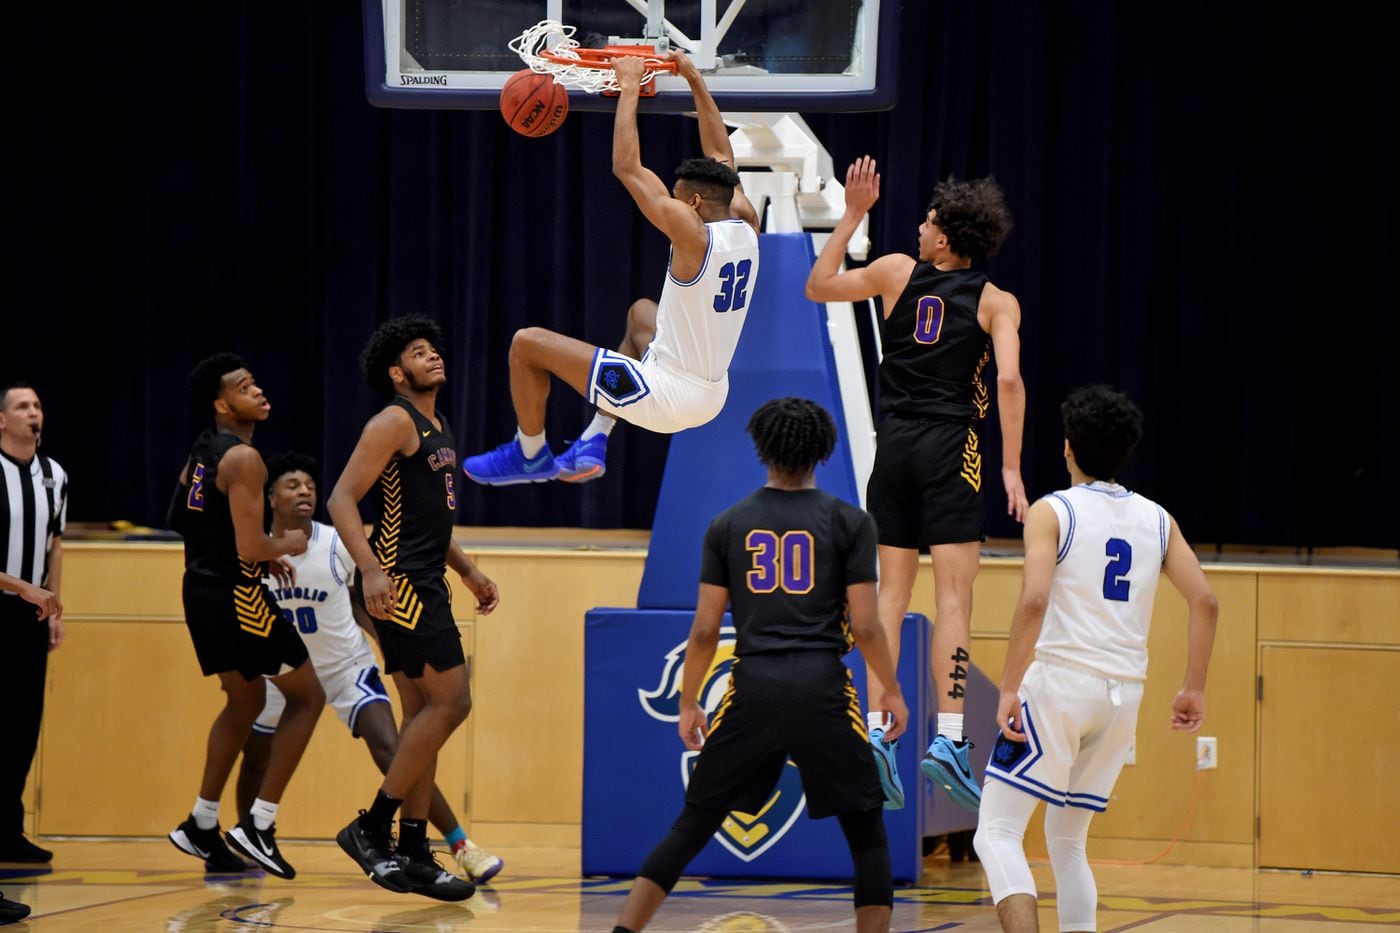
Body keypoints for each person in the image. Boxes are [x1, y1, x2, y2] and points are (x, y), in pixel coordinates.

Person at [612, 398, 908, 933]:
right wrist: (890, 687)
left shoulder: (728, 524)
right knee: (867, 835)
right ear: (823, 451)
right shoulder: (851, 522)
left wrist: (688, 701)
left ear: (762, 448)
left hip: (752, 686)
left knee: (693, 823)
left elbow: (705, 630)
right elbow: (866, 626)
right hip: (823, 686)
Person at [804, 159, 1028, 811]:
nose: (920, 228)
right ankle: (950, 739)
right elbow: (1009, 380)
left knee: (891, 596)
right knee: (954, 597)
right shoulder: (997, 301)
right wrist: (1011, 466)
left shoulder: (894, 272)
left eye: (929, 223)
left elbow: (818, 286)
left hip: (894, 447)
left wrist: (853, 216)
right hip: (952, 449)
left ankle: (879, 731)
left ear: (945, 240)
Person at [972, 385, 1218, 933]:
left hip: (1060, 685)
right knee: (1068, 841)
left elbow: (1034, 600)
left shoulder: (1053, 510)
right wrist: (1193, 687)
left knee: (997, 832)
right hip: (1122, 697)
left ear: (1067, 447)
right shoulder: (1158, 519)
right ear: (1126, 452)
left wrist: (1009, 687)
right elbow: (1205, 601)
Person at [463, 50, 760, 486]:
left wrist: (628, 86)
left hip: (665, 396)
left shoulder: (692, 233)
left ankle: (529, 454)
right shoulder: (745, 219)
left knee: (527, 345)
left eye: (677, 198)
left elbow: (626, 167)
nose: (672, 202)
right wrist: (694, 77)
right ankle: (595, 436)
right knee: (642, 314)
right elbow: (719, 153)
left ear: (694, 203)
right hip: (713, 392)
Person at [236, 451, 503, 884]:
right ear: (270, 497)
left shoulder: (336, 543)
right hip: (285, 673)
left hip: (346, 668)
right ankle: (249, 842)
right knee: (254, 759)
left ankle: (459, 844)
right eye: (292, 485)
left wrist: (387, 644)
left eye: (310, 485)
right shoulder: (255, 551)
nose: (304, 491)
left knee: (395, 750)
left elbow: (363, 597)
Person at [328, 315, 499, 902]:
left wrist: (468, 571)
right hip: (399, 582)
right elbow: (341, 499)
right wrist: (372, 571)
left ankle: (414, 851)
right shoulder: (394, 420)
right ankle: (373, 826)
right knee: (453, 701)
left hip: (423, 578)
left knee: (422, 715)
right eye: (419, 353)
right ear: (398, 373)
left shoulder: (437, 424)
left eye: (434, 349)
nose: (433, 357)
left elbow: (431, 519)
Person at [166, 353, 326, 878]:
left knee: (246, 699)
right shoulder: (245, 460)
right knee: (308, 696)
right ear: (221, 405)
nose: (256, 390)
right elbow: (252, 544)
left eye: (255, 382)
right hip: (236, 596)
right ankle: (259, 823)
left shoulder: (202, 450)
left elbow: (182, 519)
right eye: (243, 387)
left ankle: (201, 822)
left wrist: (250, 554)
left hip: (199, 590)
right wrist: (290, 543)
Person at [0, 382, 68, 865]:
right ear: (2, 420)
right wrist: (21, 586)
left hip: (31, 614)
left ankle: (8, 830)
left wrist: (56, 603)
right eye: (22, 406)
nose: (33, 412)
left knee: (23, 723)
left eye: (37, 405)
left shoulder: (54, 474)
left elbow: (55, 544)